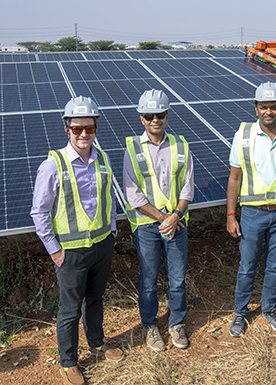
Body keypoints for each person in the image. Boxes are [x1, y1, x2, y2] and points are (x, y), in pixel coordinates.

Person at [31, 96, 122, 385]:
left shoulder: (103, 157)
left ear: (96, 128)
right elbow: (39, 211)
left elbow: (108, 197)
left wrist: (112, 230)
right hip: (69, 252)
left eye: (90, 128)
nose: (84, 134)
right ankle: (69, 361)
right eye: (77, 128)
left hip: (101, 246)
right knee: (70, 309)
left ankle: (96, 343)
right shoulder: (53, 164)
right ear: (67, 129)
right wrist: (54, 250)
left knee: (95, 299)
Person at [226, 81, 276, 337]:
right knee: (247, 265)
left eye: (273, 107)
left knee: (274, 266)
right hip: (252, 214)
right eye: (264, 107)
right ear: (256, 109)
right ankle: (240, 312)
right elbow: (234, 179)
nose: (268, 112)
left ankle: (269, 308)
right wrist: (230, 215)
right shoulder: (243, 136)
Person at [123, 89, 194, 351]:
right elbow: (133, 194)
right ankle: (150, 326)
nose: (155, 120)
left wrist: (176, 216)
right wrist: (165, 218)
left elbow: (188, 187)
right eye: (149, 115)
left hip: (177, 224)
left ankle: (176, 322)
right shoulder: (132, 148)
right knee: (148, 280)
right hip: (147, 227)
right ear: (141, 118)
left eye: (160, 114)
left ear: (167, 115)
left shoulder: (181, 145)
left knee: (177, 279)